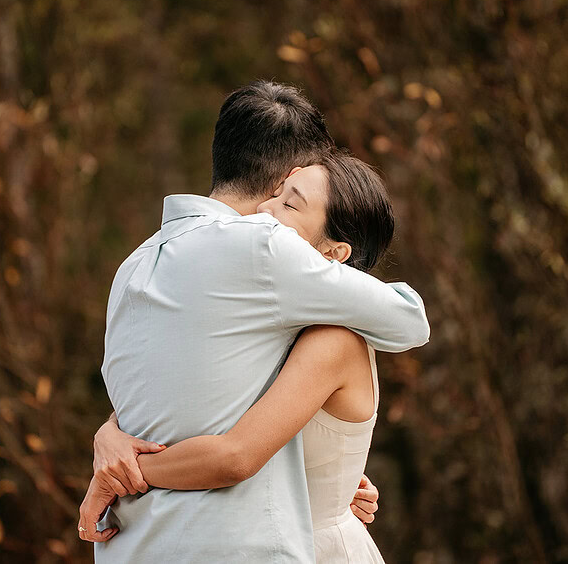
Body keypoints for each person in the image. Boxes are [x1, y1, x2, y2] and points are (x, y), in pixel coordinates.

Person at [79, 81, 429, 562]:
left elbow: (174, 395)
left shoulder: (133, 268)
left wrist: (112, 441)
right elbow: (410, 320)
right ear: (287, 175)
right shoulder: (263, 247)